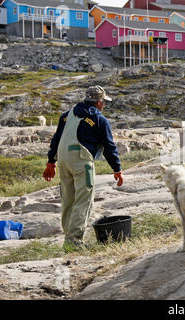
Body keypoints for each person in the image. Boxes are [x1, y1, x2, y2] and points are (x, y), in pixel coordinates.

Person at [43, 86, 124, 248]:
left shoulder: (67, 115)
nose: (104, 105)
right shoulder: (100, 120)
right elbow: (109, 147)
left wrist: (51, 162)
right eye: (103, 102)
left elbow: (56, 139)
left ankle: (68, 237)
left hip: (63, 160)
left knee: (68, 199)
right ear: (99, 102)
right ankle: (74, 240)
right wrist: (117, 169)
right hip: (81, 161)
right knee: (84, 200)